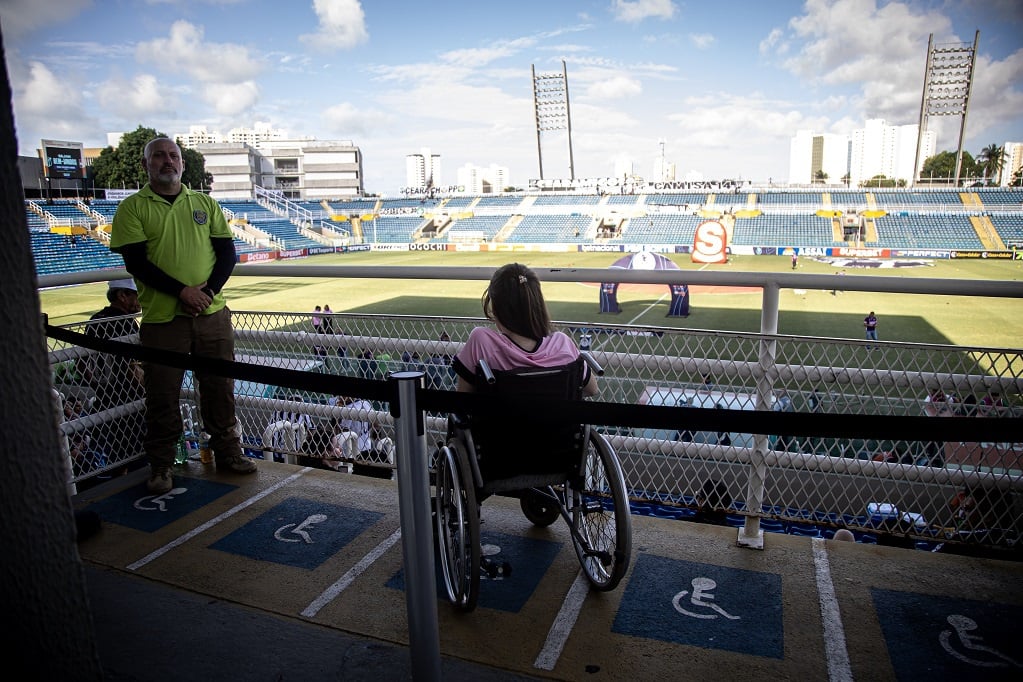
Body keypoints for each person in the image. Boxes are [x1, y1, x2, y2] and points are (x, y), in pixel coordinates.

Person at [109, 136, 256, 494]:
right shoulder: (132, 208)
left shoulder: (204, 202)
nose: (167, 161)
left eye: (173, 156)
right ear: (145, 165)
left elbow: (227, 255)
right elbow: (136, 263)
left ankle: (228, 452)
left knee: (220, 389)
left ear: (182, 164)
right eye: (158, 156)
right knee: (162, 394)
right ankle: (161, 465)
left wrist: (205, 294)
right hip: (163, 319)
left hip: (212, 314)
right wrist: (183, 293)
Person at [452, 263, 598, 398]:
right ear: (537, 303)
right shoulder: (562, 343)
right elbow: (592, 389)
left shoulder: (482, 341)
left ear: (496, 307)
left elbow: (463, 400)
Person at [81, 278, 146, 464]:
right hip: (129, 399)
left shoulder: (94, 320)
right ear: (122, 296)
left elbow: (83, 364)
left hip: (104, 397)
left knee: (117, 456)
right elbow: (131, 367)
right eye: (137, 295)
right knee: (138, 455)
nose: (141, 300)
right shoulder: (125, 323)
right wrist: (146, 390)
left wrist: (99, 384)